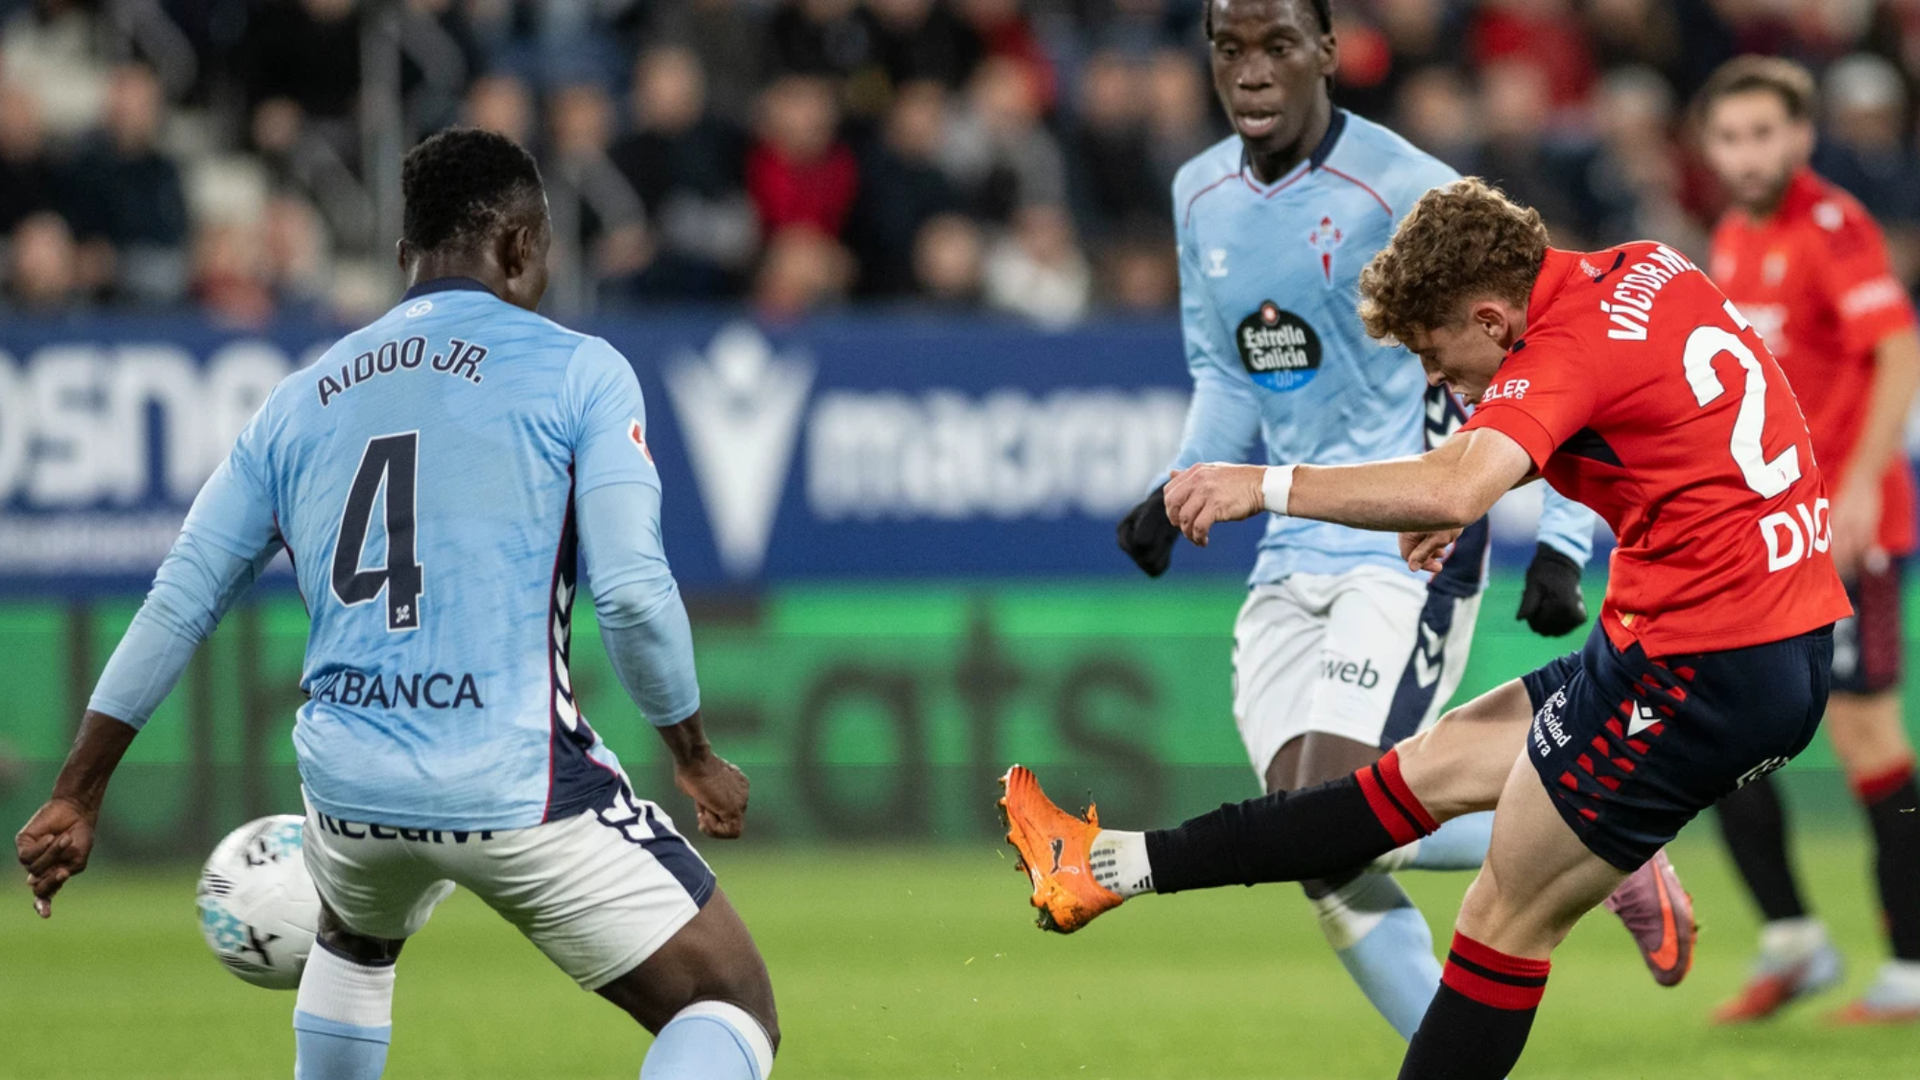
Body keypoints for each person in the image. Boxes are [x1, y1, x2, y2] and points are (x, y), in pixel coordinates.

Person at [1003, 176, 1850, 1080]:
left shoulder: (1561, 349)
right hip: (1743, 637)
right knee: (1423, 770)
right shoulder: (1647, 266)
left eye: (1434, 354)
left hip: (1700, 668)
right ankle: (1106, 865)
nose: (1434, 379)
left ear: (1491, 318)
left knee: (1500, 919)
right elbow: (1636, 417)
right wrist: (1472, 480)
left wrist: (1262, 484)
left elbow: (1457, 481)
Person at [14, 128, 778, 1080]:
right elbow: (630, 594)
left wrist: (77, 791)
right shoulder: (581, 370)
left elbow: (180, 601)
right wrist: (691, 753)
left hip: (349, 792)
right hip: (514, 783)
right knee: (729, 1004)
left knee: (356, 937)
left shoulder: (297, 400)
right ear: (521, 246)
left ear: (404, 254)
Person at [1108, 0, 1677, 1046]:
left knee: (1329, 816)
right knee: (1315, 844)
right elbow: (1225, 371)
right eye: (1230, 49)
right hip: (1289, 541)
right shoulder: (1198, 195)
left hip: (1411, 539)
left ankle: (1591, 836)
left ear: (1328, 52)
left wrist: (1561, 540)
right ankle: (1602, 838)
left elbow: (1551, 342)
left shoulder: (1406, 184)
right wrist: (1176, 482)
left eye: (1278, 45)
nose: (1252, 71)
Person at [1697, 56, 1920, 1025]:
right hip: (1769, 534)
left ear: (1800, 137)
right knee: (1714, 725)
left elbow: (1899, 350)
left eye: (1764, 134)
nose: (1748, 154)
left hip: (1850, 530)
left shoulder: (1832, 225)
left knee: (1867, 735)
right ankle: (1795, 943)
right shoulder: (1732, 236)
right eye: (1730, 137)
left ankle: (1912, 969)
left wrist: (1862, 481)